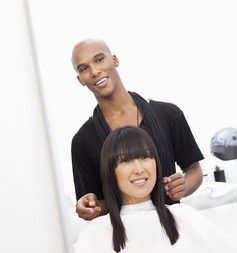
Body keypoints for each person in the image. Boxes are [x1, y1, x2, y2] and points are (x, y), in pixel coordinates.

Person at [71, 38, 204, 220]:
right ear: (80, 80)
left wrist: (182, 187)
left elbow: (194, 170)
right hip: (124, 239)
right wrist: (89, 207)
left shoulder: (168, 114)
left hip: (173, 228)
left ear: (115, 60)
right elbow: (95, 203)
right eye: (84, 68)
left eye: (99, 59)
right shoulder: (82, 141)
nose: (95, 71)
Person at [74, 126, 237, 253]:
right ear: (110, 171)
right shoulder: (96, 233)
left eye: (145, 157)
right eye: (125, 161)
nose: (139, 169)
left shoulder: (184, 216)